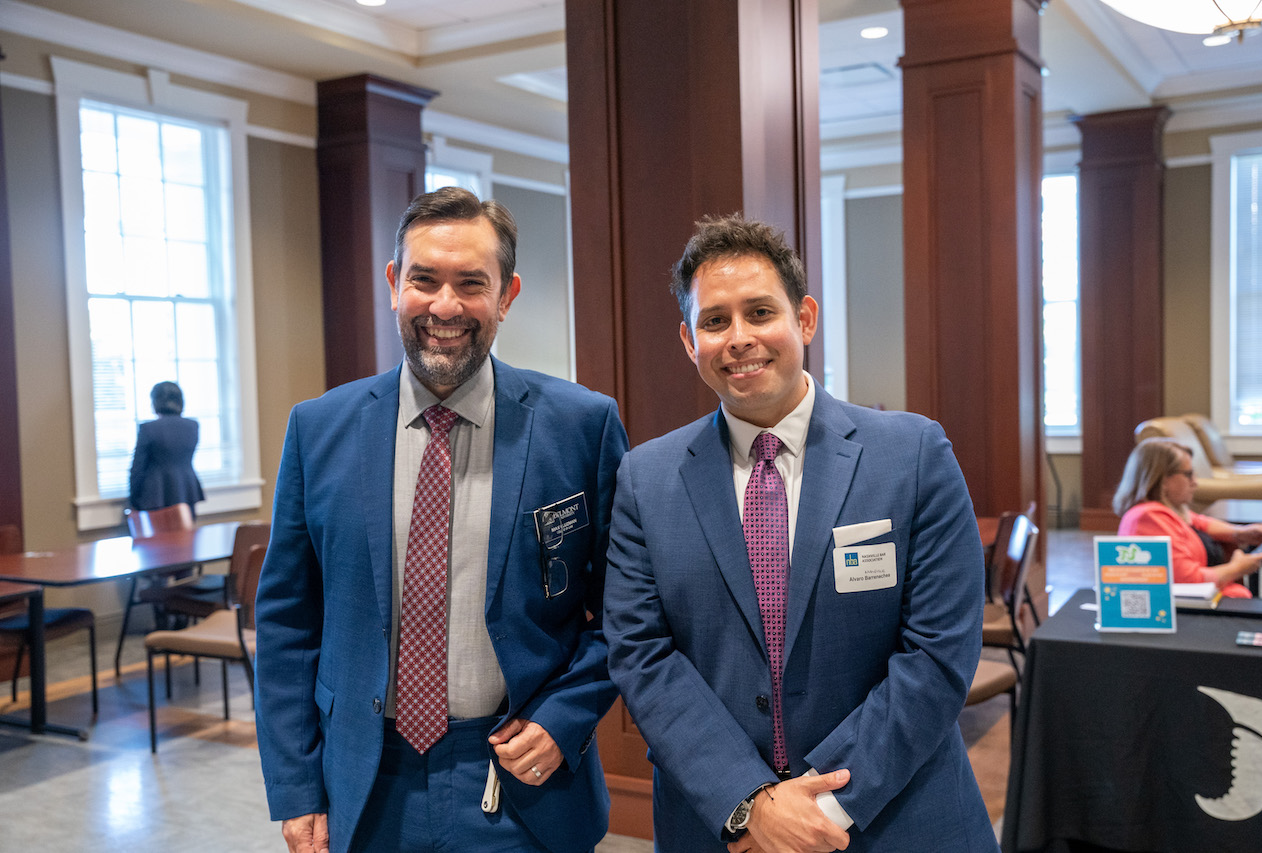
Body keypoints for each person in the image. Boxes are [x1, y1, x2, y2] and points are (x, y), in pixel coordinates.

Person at [602, 214, 996, 853]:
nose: (739, 338)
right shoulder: (646, 479)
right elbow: (641, 653)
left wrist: (826, 804)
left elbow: (940, 651)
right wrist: (749, 802)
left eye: (760, 312)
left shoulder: (913, 454)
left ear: (804, 319)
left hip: (893, 817)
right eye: (714, 321)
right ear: (687, 339)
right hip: (723, 825)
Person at [254, 187, 628, 853]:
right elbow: (287, 623)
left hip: (521, 780)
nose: (445, 306)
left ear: (507, 295)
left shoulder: (582, 426)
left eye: (471, 283)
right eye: (424, 279)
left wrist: (564, 715)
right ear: (396, 284)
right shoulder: (318, 429)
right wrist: (296, 784)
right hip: (363, 784)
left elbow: (627, 613)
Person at [1113, 437, 1262, 598]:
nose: (1195, 483)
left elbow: (1200, 523)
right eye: (1188, 474)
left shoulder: (1168, 511)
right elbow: (1188, 581)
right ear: (1162, 478)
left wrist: (1241, 532)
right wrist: (1236, 568)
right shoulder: (1147, 517)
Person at [128, 380, 204, 513]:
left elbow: (137, 469)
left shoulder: (148, 428)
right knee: (188, 533)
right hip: (186, 491)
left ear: (155, 401)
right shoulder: (192, 426)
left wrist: (133, 500)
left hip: (154, 495)